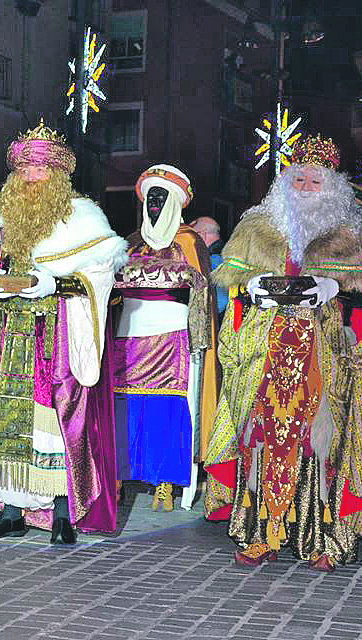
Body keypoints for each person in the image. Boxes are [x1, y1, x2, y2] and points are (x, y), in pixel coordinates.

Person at [203, 135, 362, 570]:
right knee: (261, 441)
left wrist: (337, 289)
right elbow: (233, 291)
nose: (306, 187)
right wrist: (251, 289)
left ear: (331, 187)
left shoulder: (354, 236)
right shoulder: (256, 228)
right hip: (265, 357)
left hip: (322, 360)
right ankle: (259, 533)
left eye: (315, 181)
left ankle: (322, 540)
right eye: (299, 180)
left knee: (322, 448)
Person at [0, 121, 127, 543]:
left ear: (58, 173)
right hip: (5, 336)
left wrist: (56, 283)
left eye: (40, 169)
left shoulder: (83, 215)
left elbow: (101, 269)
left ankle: (63, 514)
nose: (32, 176)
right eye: (24, 169)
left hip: (57, 337)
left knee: (57, 420)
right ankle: (11, 510)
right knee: (4, 422)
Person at [112, 165, 217, 511]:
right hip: (127, 333)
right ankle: (122, 475)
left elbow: (202, 290)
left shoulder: (189, 241)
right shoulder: (129, 243)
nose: (155, 202)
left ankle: (166, 482)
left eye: (163, 196)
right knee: (127, 408)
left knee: (168, 408)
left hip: (172, 335)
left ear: (176, 202)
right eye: (150, 196)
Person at [190, 215, 230, 314]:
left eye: (191, 236)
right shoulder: (227, 256)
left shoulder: (210, 262)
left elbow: (218, 304)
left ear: (201, 235)